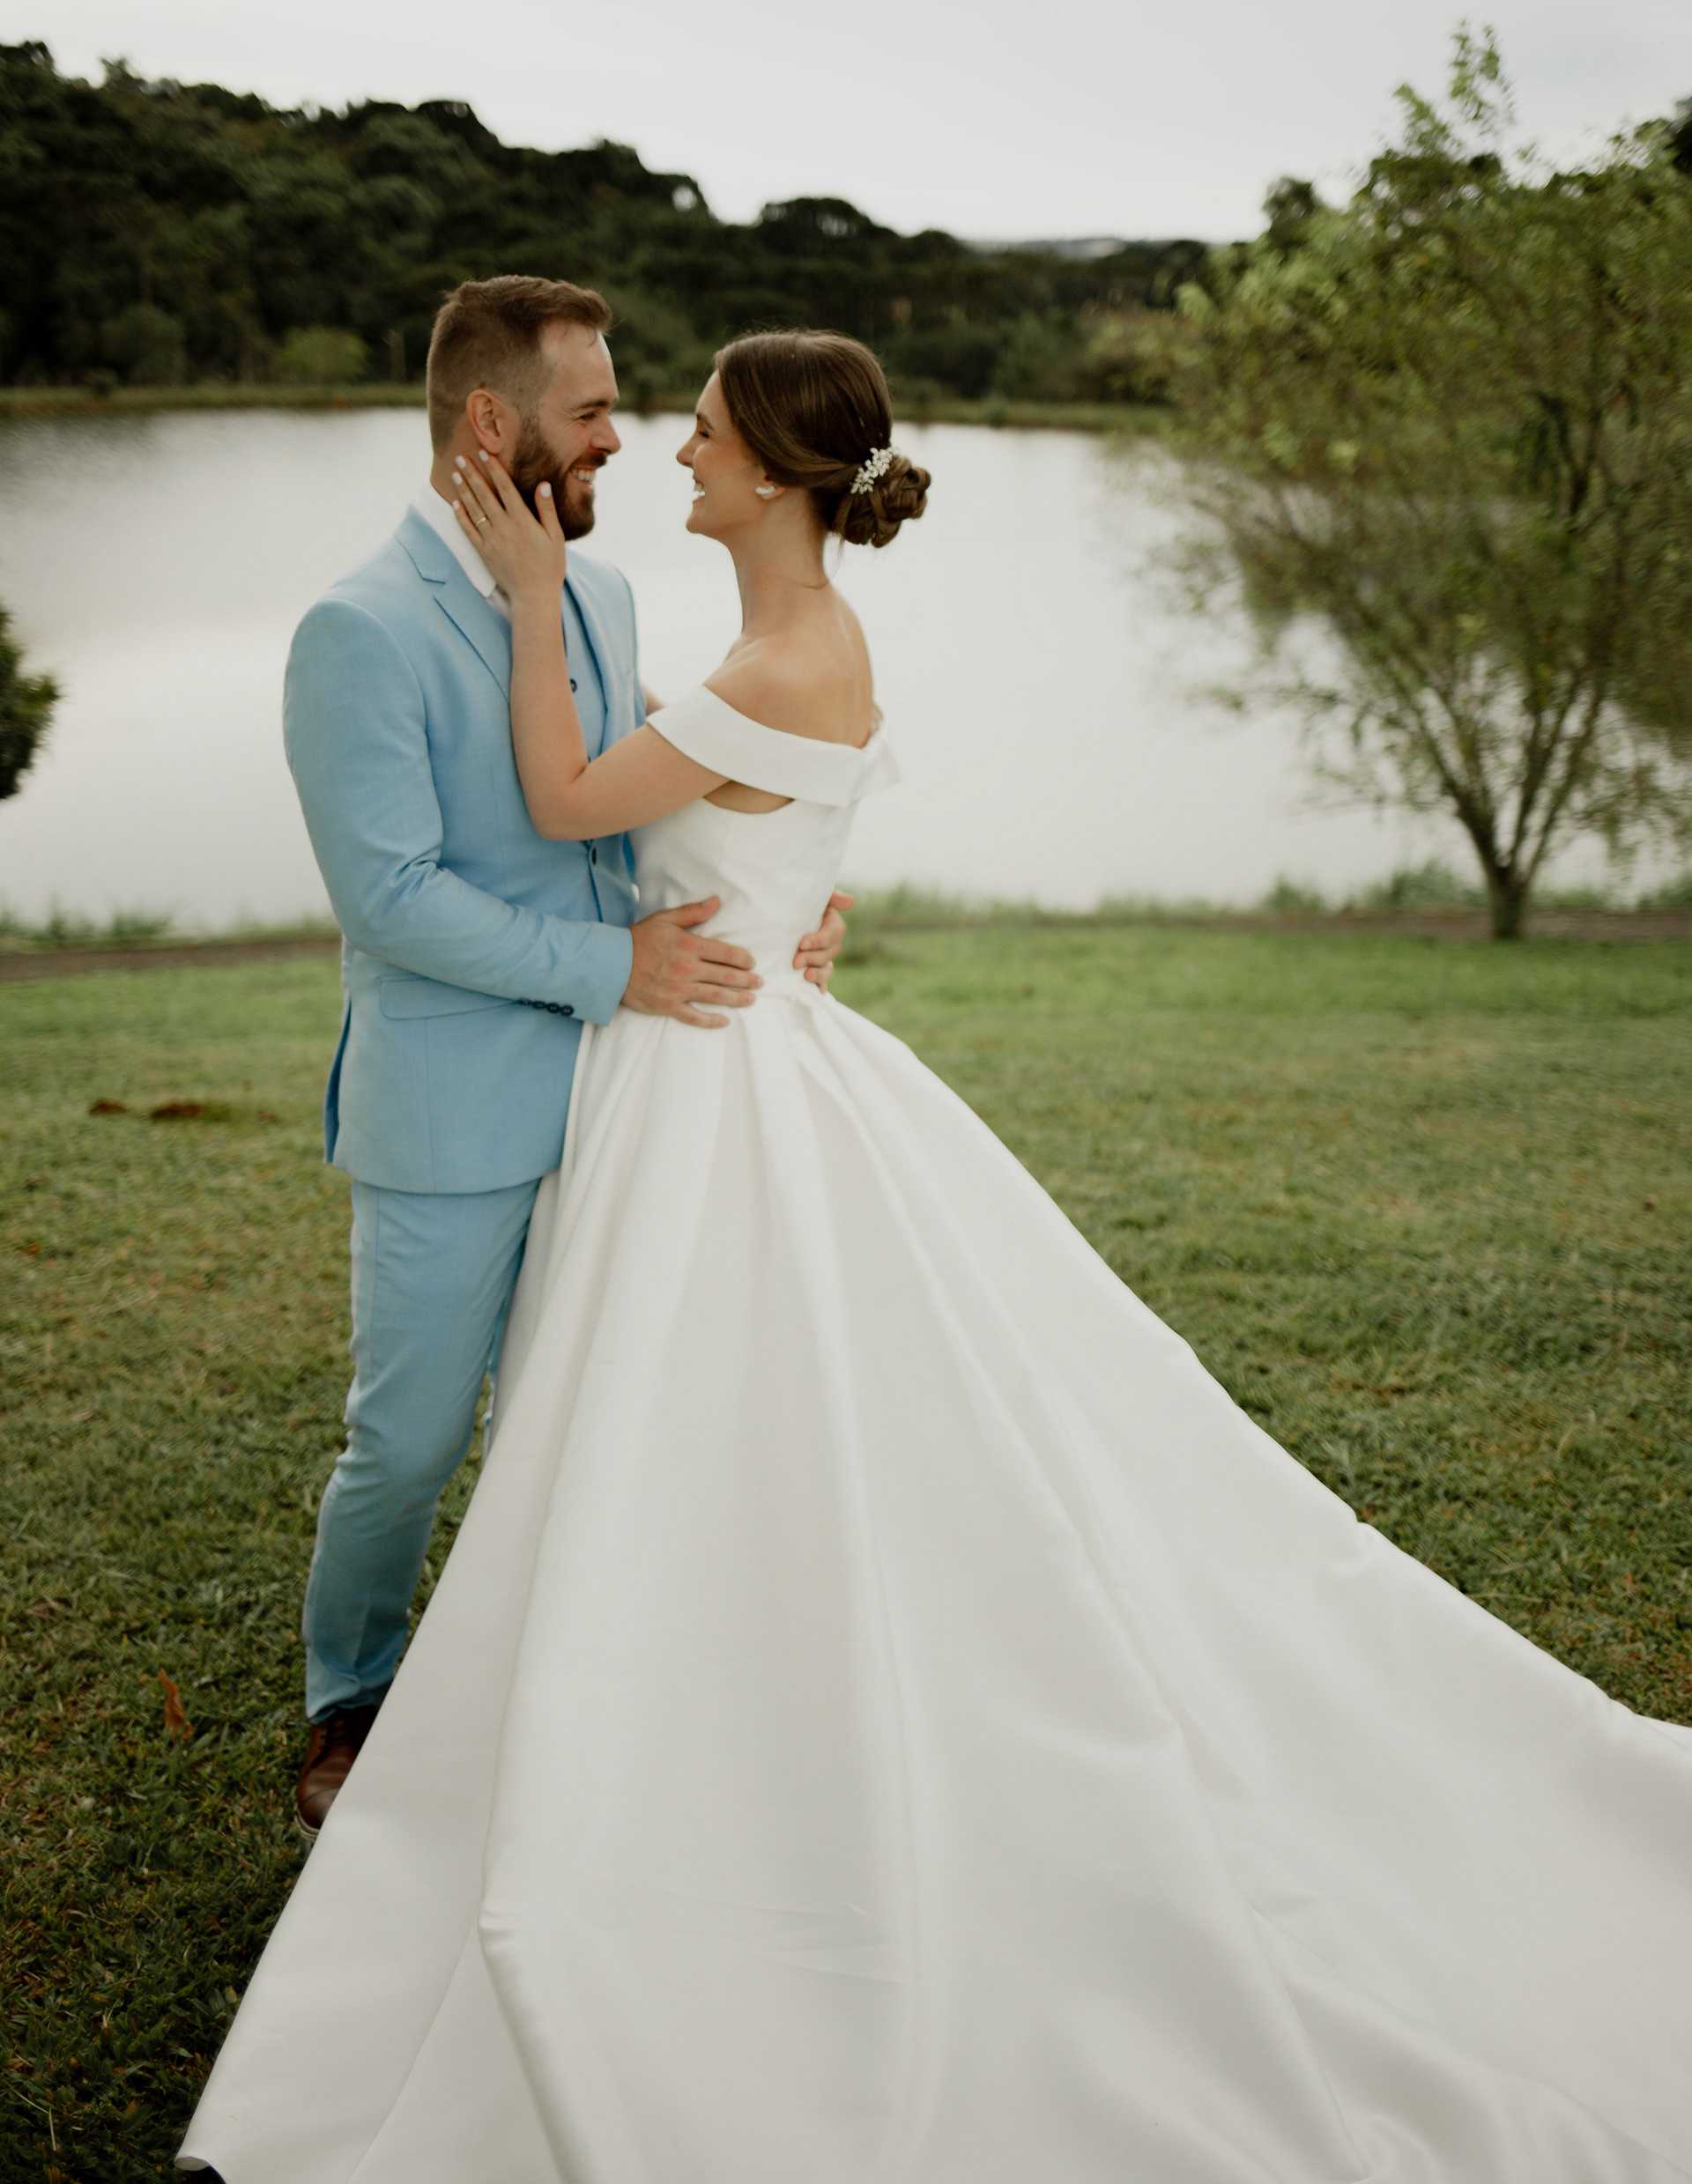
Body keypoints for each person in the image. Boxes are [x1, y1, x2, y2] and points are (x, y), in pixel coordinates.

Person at [184, 331, 1692, 2183]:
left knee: (686, 1430)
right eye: (622, 413)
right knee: (536, 1430)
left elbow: (590, 803)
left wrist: (679, 807)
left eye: (695, 429)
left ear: (772, 471)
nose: (660, 444)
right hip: (647, 1062)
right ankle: (396, 1708)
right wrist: (777, 898)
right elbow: (652, 824)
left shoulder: (708, 630)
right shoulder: (569, 629)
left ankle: (670, 1745)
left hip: (705, 1081)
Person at [277, 278, 847, 1835]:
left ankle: (554, 1702)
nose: (617, 440)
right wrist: (618, 968)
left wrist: (785, 884)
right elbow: (392, 901)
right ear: (491, 421)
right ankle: (351, 1698)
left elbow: (653, 780)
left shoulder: (594, 596)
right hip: (457, 1111)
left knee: (585, 1430)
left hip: (626, 1104)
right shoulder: (358, 629)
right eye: (590, 412)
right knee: (406, 1442)